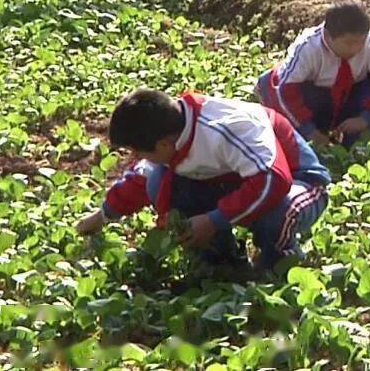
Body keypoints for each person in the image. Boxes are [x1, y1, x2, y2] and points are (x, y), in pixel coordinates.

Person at [75, 89, 331, 272]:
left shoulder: (226, 129)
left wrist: (213, 220)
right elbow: (140, 178)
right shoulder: (171, 131)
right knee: (159, 182)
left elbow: (272, 182)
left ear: (163, 144)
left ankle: (280, 262)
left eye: (137, 151)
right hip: (240, 180)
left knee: (276, 217)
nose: (135, 157)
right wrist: (102, 216)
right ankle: (223, 261)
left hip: (298, 182)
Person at [256, 1, 370, 147]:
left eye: (360, 42)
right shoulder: (308, 47)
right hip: (315, 97)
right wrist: (309, 131)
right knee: (297, 140)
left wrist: (366, 119)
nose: (356, 49)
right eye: (349, 43)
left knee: (360, 142)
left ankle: (353, 145)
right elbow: (285, 92)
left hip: (351, 94)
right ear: (328, 36)